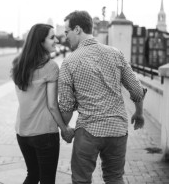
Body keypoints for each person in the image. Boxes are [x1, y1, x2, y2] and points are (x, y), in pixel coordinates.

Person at [58, 10, 147, 184]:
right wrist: (139, 113)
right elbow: (136, 90)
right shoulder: (116, 53)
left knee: (81, 180)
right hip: (117, 130)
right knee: (114, 179)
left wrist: (65, 128)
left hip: (88, 131)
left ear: (77, 29)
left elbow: (66, 106)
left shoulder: (69, 62)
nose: (66, 37)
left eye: (67, 32)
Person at [11, 23, 71, 184]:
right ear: (40, 42)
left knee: (32, 175)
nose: (56, 40)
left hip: (22, 131)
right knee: (47, 180)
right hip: (44, 133)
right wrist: (65, 129)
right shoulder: (50, 67)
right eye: (52, 37)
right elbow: (52, 104)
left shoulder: (18, 64)